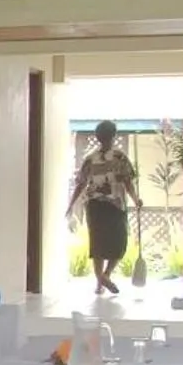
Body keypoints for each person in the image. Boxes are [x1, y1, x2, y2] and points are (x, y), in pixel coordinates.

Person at [68, 120, 143, 297]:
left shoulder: (90, 158)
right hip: (115, 205)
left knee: (98, 245)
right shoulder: (119, 157)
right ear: (114, 135)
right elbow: (127, 182)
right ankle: (105, 276)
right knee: (118, 244)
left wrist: (71, 204)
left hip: (94, 206)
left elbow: (81, 184)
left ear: (98, 137)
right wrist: (135, 199)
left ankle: (101, 280)